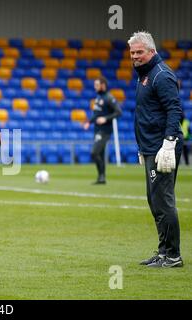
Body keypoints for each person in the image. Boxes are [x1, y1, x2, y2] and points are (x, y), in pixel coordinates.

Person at [128, 31, 184, 268]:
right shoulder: (145, 76)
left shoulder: (161, 75)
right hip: (151, 147)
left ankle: (172, 256)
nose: (135, 56)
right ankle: (164, 252)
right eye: (132, 53)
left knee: (162, 201)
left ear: (152, 52)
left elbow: (174, 110)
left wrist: (169, 142)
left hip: (162, 147)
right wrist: (143, 148)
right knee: (155, 200)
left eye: (140, 52)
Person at [82, 76, 122, 184]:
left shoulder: (109, 98)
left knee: (94, 153)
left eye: (97, 85)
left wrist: (105, 118)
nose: (95, 87)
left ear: (103, 86)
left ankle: (101, 176)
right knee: (101, 154)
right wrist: (88, 122)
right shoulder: (98, 98)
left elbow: (118, 112)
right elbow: (96, 114)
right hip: (97, 129)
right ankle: (101, 178)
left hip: (104, 131)